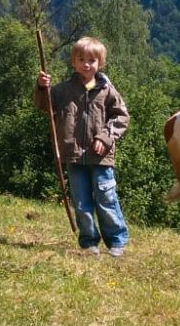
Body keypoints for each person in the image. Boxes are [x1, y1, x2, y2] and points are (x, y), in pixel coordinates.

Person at [34, 37, 131, 257]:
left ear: (100, 63)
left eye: (91, 60)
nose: (86, 64)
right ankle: (88, 242)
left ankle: (116, 240)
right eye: (81, 59)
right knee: (81, 201)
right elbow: (44, 106)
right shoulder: (63, 90)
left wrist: (105, 138)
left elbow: (121, 117)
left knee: (106, 197)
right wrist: (41, 88)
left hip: (100, 156)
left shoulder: (107, 91)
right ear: (73, 63)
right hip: (73, 155)